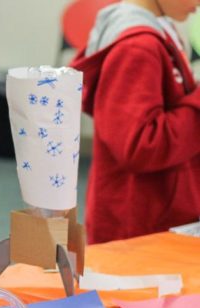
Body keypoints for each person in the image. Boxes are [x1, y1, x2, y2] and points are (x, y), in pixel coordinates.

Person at [70, 0, 200, 244]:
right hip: (137, 224)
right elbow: (140, 146)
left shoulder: (158, 31)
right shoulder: (137, 47)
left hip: (150, 215)